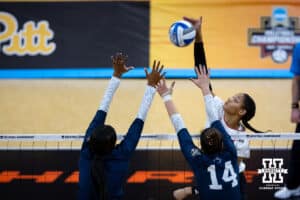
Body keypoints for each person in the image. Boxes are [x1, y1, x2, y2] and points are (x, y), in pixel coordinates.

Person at [173, 16, 263, 200]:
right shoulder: (217, 107)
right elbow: (202, 69)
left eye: (236, 100)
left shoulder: (241, 141)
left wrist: (193, 190)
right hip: (209, 171)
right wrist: (198, 36)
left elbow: (225, 174)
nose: (230, 98)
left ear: (242, 112)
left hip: (233, 181)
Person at [78, 52, 165, 200]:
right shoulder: (120, 156)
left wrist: (116, 76)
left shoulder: (86, 153)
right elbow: (139, 122)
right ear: (113, 146)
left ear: (91, 139)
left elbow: (101, 112)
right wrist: (151, 87)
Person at [157, 77, 241, 200]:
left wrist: (166, 96)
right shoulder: (231, 151)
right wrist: (205, 88)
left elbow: (179, 125)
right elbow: (214, 119)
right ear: (223, 142)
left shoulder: (198, 161)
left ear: (201, 147)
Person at [274, 43, 300, 199]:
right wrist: (294, 107)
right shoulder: (299, 47)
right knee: (298, 149)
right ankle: (293, 186)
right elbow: (297, 79)